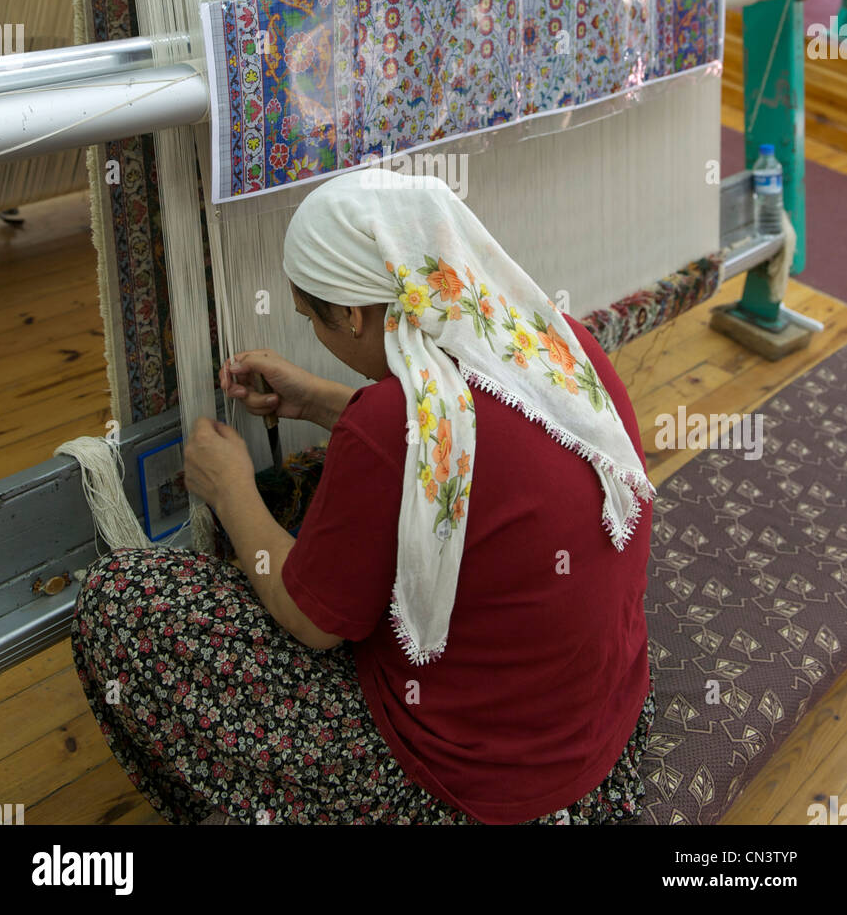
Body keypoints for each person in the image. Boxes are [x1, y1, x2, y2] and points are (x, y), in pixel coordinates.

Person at [71, 170, 656, 825]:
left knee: (119, 597)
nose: (314, 334)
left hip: (477, 785)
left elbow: (313, 623)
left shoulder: (386, 427)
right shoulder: (552, 343)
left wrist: (229, 490)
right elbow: (460, 441)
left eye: (309, 318)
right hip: (599, 734)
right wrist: (322, 401)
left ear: (350, 313)